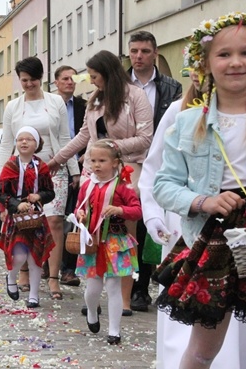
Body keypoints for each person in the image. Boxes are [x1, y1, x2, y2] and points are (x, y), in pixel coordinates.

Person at [152, 12, 246, 369]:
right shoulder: (187, 122)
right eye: (224, 55)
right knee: (202, 349)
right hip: (218, 236)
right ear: (206, 64)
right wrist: (205, 201)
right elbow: (163, 185)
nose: (236, 62)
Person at [49, 50, 154, 314]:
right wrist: (56, 161)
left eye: (95, 76)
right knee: (91, 228)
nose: (92, 81)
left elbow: (145, 138)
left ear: (107, 74)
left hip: (126, 167)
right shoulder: (95, 99)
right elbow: (84, 136)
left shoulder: (135, 96)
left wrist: (110, 148)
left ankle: (125, 299)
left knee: (126, 233)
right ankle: (94, 296)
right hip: (94, 170)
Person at [0, 57, 80, 301]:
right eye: (24, 80)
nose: (29, 84)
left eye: (33, 79)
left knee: (54, 221)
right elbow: (7, 143)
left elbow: (65, 137)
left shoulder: (55, 103)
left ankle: (53, 277)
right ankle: (23, 271)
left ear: (41, 78)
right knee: (24, 221)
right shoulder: (13, 106)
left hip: (52, 169)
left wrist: (73, 169)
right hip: (21, 172)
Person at [127, 31, 183, 313]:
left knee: (157, 225)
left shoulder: (172, 88)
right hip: (128, 160)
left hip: (160, 160)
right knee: (133, 222)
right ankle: (132, 282)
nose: (139, 56)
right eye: (134, 51)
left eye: (145, 51)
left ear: (155, 53)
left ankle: (144, 284)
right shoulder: (120, 85)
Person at [75, 139, 141, 345]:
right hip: (92, 242)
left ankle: (114, 331)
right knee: (92, 289)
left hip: (115, 242)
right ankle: (92, 313)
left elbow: (137, 210)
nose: (96, 165)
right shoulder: (87, 185)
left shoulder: (123, 187)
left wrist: (120, 210)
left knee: (113, 287)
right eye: (92, 160)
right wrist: (80, 214)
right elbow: (79, 207)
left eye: (102, 160)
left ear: (114, 163)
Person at [0, 127, 55, 309]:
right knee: (20, 254)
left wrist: (39, 197)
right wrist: (15, 204)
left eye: (29, 139)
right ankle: (12, 277)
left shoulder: (42, 167)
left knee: (36, 257)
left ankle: (34, 295)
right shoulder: (10, 166)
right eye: (20, 139)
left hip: (36, 217)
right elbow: (0, 192)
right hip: (17, 219)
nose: (24, 142)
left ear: (36, 144)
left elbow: (50, 192)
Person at [53, 65, 87, 288]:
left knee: (74, 218)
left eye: (72, 78)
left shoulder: (83, 106)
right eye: (65, 78)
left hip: (79, 165)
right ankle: (50, 265)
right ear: (56, 82)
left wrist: (85, 158)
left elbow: (91, 132)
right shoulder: (49, 105)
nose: (69, 82)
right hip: (54, 165)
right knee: (53, 219)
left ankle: (69, 268)